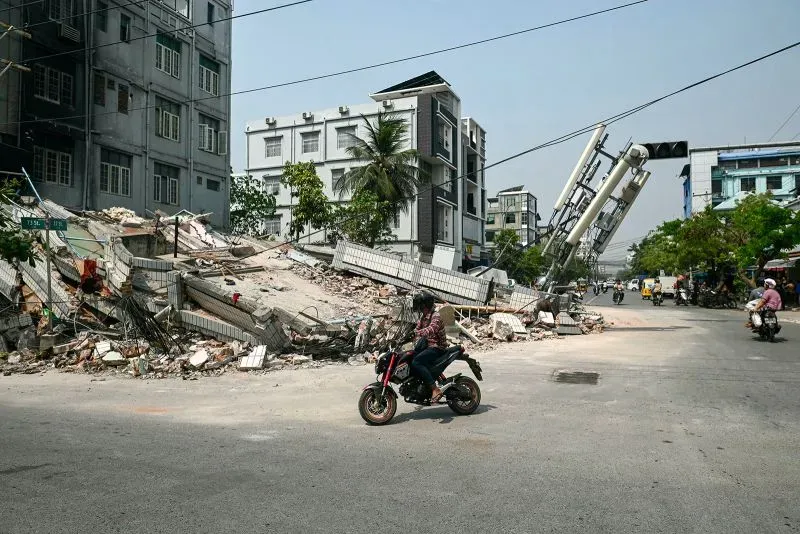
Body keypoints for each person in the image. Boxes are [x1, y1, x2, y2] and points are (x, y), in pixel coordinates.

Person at [410, 292, 448, 403]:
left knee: (416, 362)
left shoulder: (436, 316)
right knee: (410, 357)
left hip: (437, 347)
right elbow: (416, 329)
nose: (420, 310)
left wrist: (417, 333)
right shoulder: (423, 318)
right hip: (427, 347)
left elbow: (432, 329)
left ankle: (435, 389)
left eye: (421, 307)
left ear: (426, 305)